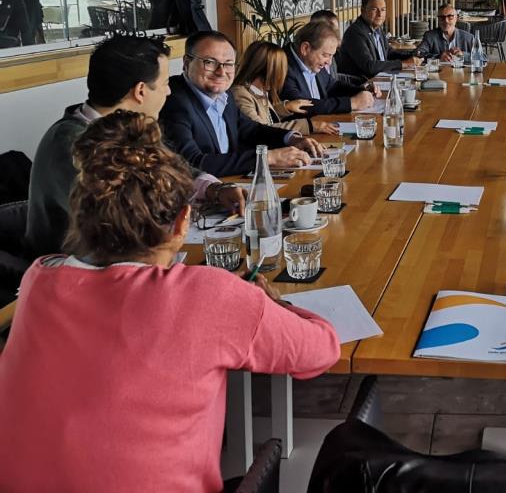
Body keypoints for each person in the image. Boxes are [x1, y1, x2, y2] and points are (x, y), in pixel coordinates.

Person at [0, 111, 340, 492]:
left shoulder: (38, 279)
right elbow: (321, 350)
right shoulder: (209, 294)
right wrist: (275, 305)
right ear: (182, 223)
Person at [24, 34, 244, 259]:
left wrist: (214, 190)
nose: (169, 92)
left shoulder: (132, 129)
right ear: (140, 91)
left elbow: (176, 167)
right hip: (78, 274)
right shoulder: (72, 145)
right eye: (165, 84)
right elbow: (119, 223)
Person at [161, 30, 321, 177]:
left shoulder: (225, 95)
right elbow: (191, 163)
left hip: (232, 187)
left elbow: (250, 129)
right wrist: (267, 157)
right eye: (209, 62)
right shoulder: (174, 102)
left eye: (229, 64)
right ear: (187, 62)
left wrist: (291, 139)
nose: (221, 72)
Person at [231, 40, 342, 135]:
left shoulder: (260, 90)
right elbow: (262, 130)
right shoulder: (240, 94)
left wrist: (286, 107)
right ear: (270, 71)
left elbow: (265, 116)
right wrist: (310, 125)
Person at [281, 21, 377, 116]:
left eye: (331, 56)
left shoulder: (312, 60)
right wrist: (352, 103)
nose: (329, 62)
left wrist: (361, 90)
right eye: (326, 55)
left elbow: (333, 86)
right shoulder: (283, 66)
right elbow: (302, 106)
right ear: (305, 48)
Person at [336, 0, 419, 80]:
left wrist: (413, 54)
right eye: (374, 9)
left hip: (381, 79)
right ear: (363, 10)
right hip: (363, 85)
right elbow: (369, 66)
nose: (380, 14)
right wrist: (404, 64)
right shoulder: (355, 33)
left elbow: (389, 53)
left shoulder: (377, 29)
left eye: (383, 10)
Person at [309, 9, 341, 79]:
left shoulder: (331, 54)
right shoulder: (314, 62)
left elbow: (333, 80)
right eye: (331, 30)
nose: (335, 34)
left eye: (336, 30)